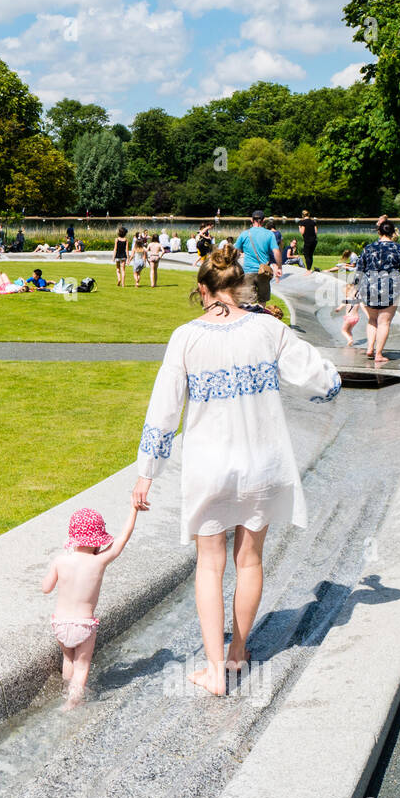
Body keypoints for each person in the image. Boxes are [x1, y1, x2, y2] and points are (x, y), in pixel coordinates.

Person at [132, 247, 341, 697]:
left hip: (211, 467)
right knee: (250, 560)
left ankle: (214, 671)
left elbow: (164, 411)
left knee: (210, 567)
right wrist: (333, 384)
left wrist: (147, 472)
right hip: (262, 463)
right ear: (239, 286)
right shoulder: (268, 328)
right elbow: (317, 376)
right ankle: (238, 652)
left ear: (203, 290)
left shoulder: (186, 337)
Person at [42, 506, 139, 708]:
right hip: (84, 625)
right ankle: (72, 701)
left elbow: (46, 588)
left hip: (60, 624)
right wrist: (133, 510)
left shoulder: (60, 561)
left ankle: (67, 689)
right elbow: (122, 540)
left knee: (69, 660)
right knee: (82, 665)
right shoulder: (99, 561)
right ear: (97, 542)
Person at [355, 221, 400, 364]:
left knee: (372, 320)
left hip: (369, 287)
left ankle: (370, 348)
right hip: (390, 288)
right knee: (384, 322)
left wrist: (356, 287)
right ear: (393, 233)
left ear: (379, 232)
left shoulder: (368, 248)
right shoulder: (399, 249)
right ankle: (378, 354)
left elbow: (359, 269)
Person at [234, 210, 282, 305]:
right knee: (262, 301)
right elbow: (276, 251)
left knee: (246, 302)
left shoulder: (245, 234)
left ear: (252, 220)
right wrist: (279, 267)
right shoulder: (269, 234)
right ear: (263, 220)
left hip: (248, 271)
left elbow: (235, 251)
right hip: (263, 272)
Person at [329, 249, 361, 346]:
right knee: (349, 330)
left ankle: (349, 340)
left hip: (349, 318)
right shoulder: (357, 300)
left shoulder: (346, 300)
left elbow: (340, 307)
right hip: (356, 318)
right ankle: (350, 339)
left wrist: (338, 309)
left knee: (343, 330)